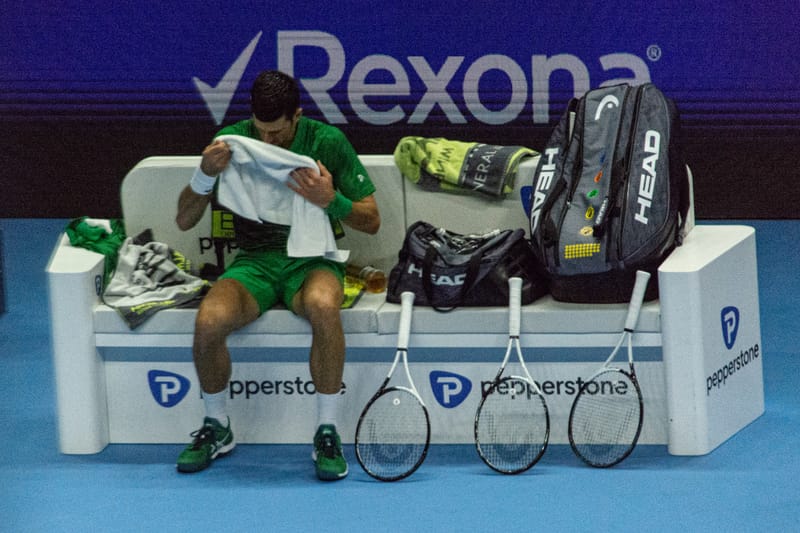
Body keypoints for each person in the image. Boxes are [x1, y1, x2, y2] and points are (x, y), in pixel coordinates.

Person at [174, 70, 380, 480]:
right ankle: (217, 426)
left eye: (279, 133)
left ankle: (327, 431)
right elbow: (183, 220)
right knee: (208, 321)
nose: (268, 141)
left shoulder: (327, 142)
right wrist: (204, 173)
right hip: (255, 263)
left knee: (324, 307)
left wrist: (331, 199)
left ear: (298, 117)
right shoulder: (232, 142)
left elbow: (371, 220)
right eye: (262, 131)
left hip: (312, 261)